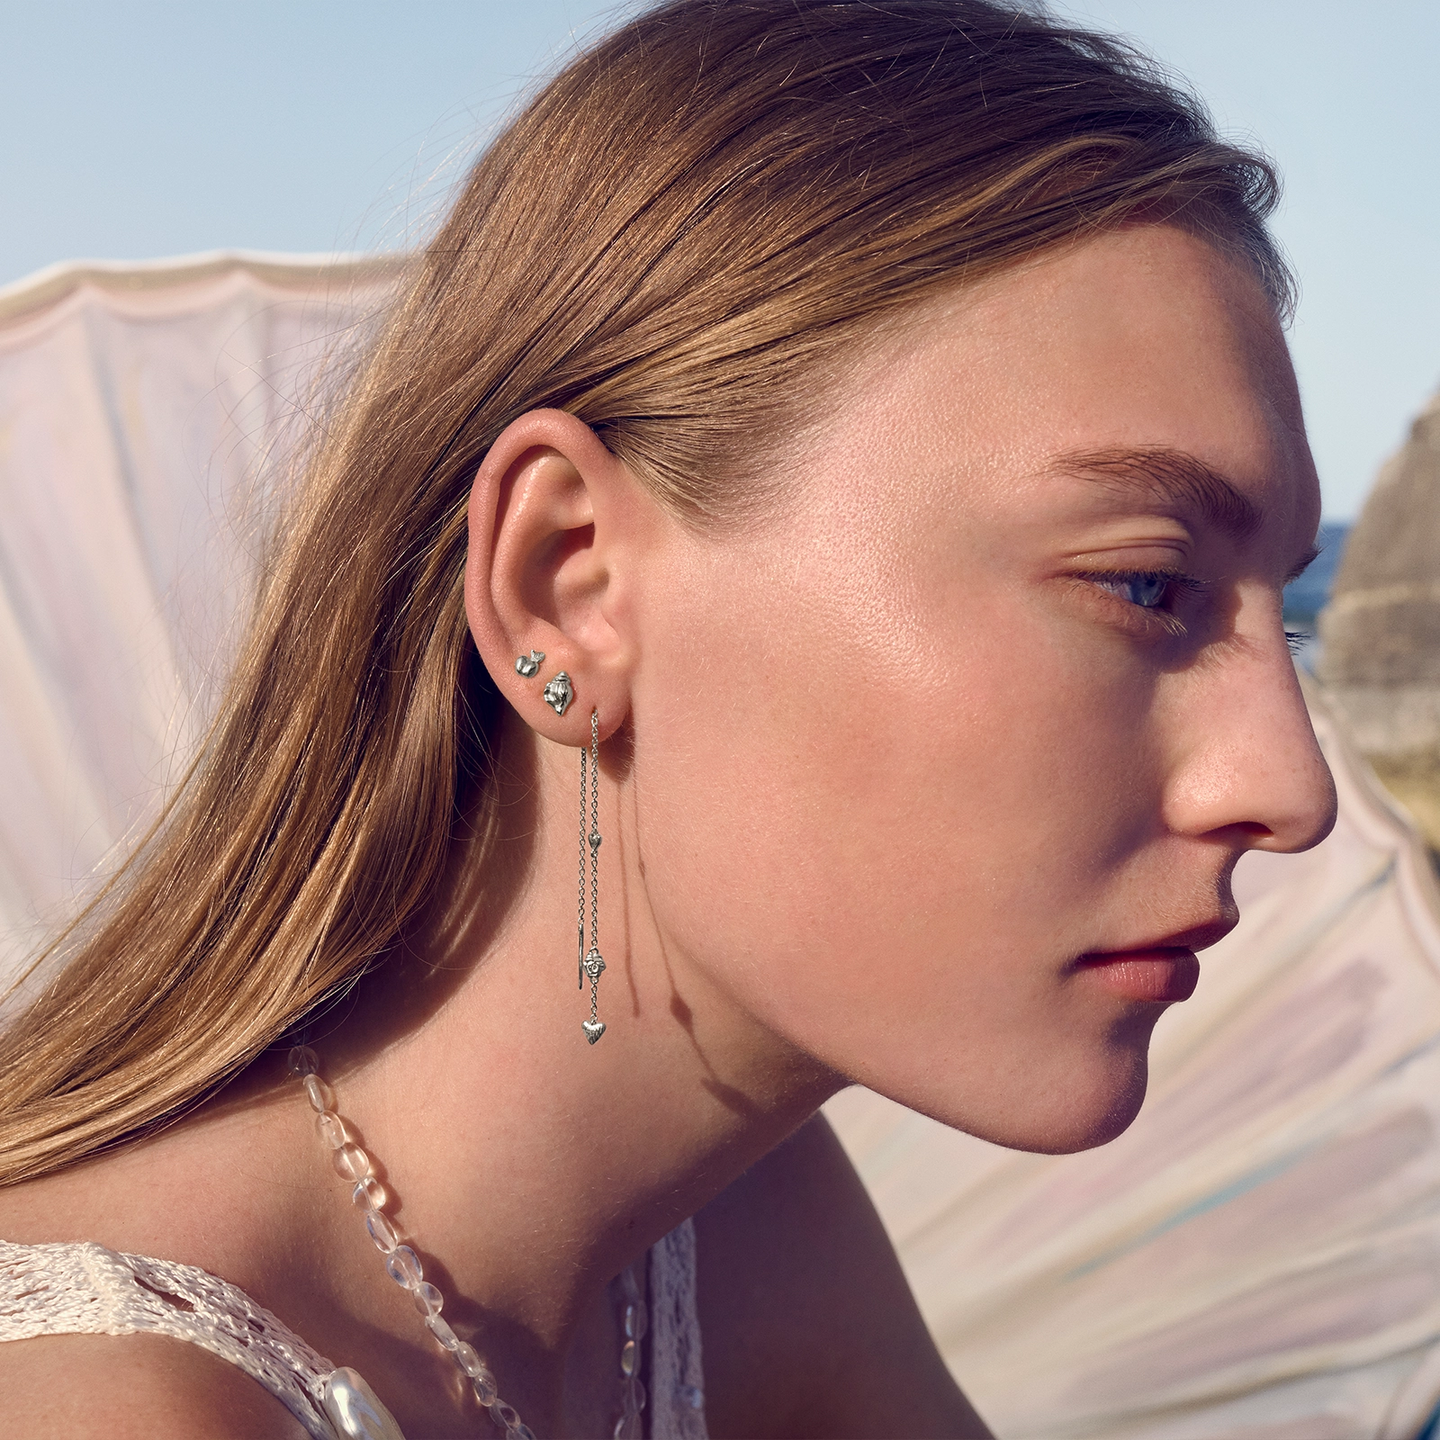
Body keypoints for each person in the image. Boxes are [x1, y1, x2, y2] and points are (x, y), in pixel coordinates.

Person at [0, 1, 1336, 1435]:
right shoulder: (113, 1407)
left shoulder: (726, 1232)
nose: (1292, 787)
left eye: (1286, 615)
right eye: (1144, 584)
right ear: (568, 585)